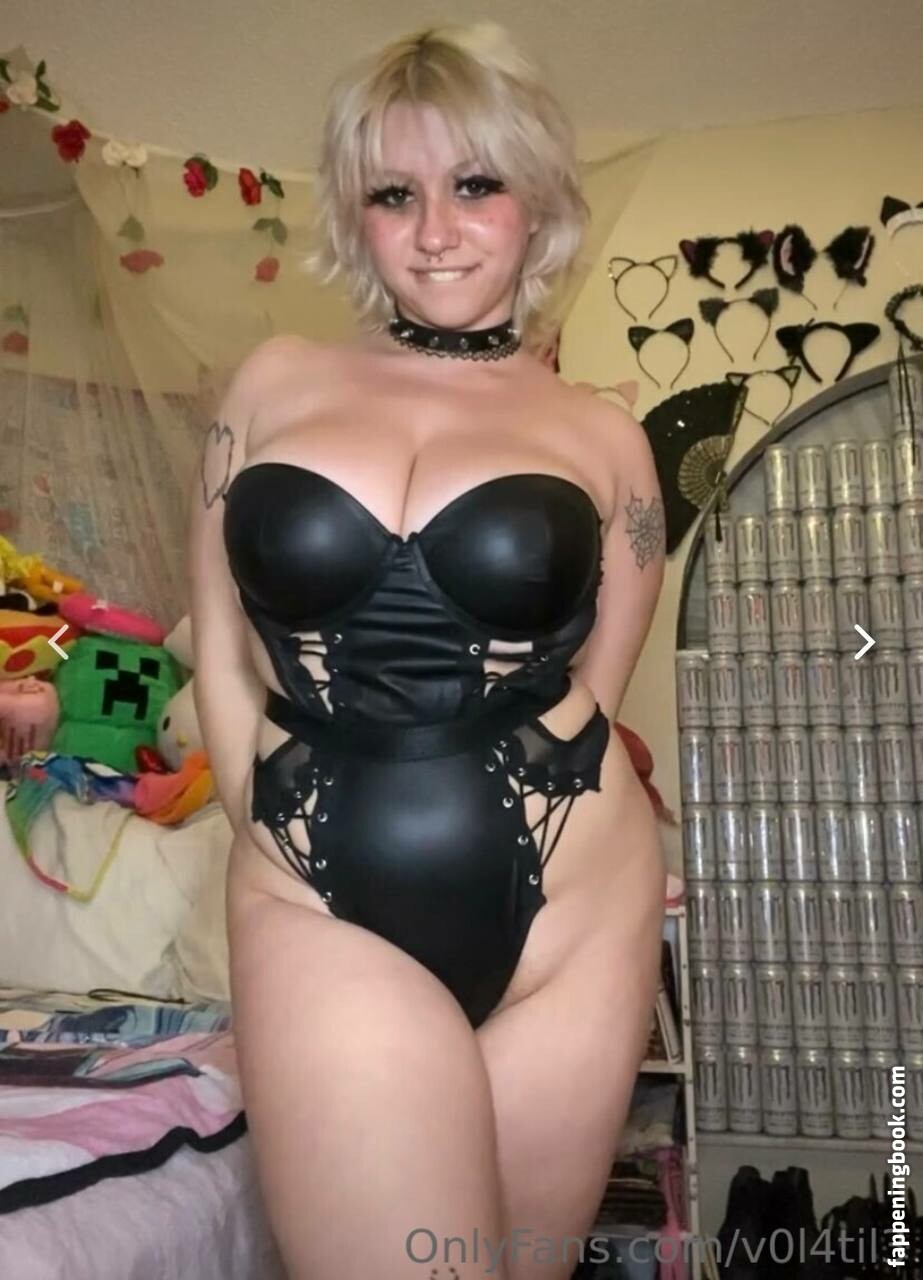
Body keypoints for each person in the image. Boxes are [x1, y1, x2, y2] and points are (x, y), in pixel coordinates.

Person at [187, 21, 667, 1280]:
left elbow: (599, 677)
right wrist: (256, 822)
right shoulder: (270, 383)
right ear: (354, 216)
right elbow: (220, 645)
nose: (435, 230)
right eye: (392, 194)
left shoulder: (603, 438)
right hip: (310, 889)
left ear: (536, 199)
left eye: (474, 184)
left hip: (572, 908)